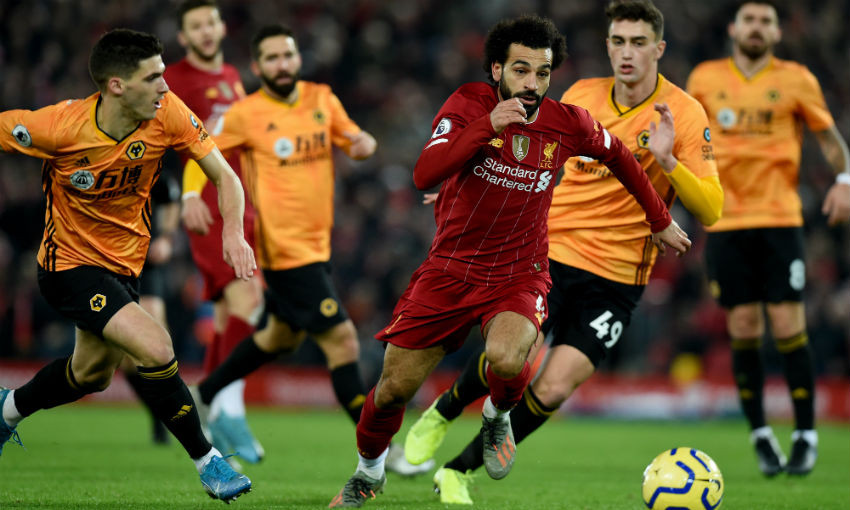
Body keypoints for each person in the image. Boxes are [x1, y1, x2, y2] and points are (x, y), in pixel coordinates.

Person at [328, 14, 692, 508]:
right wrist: (487, 126)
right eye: (521, 70)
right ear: (497, 68)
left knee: (508, 356)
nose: (532, 84)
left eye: (542, 73)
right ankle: (368, 473)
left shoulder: (568, 123)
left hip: (519, 274)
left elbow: (621, 157)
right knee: (393, 389)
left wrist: (659, 219)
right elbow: (424, 173)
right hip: (449, 270)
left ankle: (497, 416)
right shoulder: (467, 103)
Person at [0, 28, 255, 503]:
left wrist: (233, 233)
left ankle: (7, 410)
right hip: (67, 266)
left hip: (125, 268)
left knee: (91, 375)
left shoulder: (168, 113)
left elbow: (225, 176)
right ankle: (209, 461)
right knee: (156, 347)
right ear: (117, 85)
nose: (165, 85)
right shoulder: (58, 126)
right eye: (153, 77)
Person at [181, 24, 427, 476]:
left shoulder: (322, 99)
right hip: (284, 252)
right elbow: (204, 152)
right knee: (342, 341)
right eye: (272, 58)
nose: (282, 64)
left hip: (318, 247)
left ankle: (205, 393)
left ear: (298, 59)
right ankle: (380, 451)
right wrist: (190, 195)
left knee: (278, 337)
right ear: (257, 67)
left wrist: (363, 144)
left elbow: (355, 139)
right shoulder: (245, 114)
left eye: (288, 55)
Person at [686, 0, 850, 477]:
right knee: (743, 328)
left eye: (766, 21)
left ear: (778, 32)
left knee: (787, 324)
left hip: (779, 219)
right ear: (734, 28)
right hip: (724, 222)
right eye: (750, 20)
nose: (757, 28)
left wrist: (844, 181)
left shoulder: (796, 79)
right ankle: (760, 434)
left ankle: (805, 435)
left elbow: (829, 138)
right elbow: (684, 141)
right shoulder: (704, 78)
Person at [165, 0, 266, 464]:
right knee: (249, 296)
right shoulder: (173, 80)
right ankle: (229, 408)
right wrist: (182, 196)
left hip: (242, 200)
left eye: (211, 22)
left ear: (222, 27)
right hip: (207, 203)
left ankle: (205, 411)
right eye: (196, 26)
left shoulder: (230, 75)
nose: (206, 31)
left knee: (227, 315)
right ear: (183, 37)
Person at [121, 171, 182, 445]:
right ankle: (158, 415)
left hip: (144, 261)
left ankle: (173, 415)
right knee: (124, 359)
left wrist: (167, 237)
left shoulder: (146, 161)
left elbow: (170, 196)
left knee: (154, 339)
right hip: (107, 260)